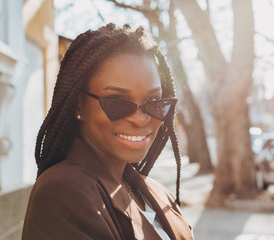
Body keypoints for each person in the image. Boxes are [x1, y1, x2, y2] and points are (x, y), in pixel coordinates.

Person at [22, 23, 194, 240]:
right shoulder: (62, 191)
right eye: (117, 101)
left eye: (153, 101)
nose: (141, 119)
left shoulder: (154, 191)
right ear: (78, 105)